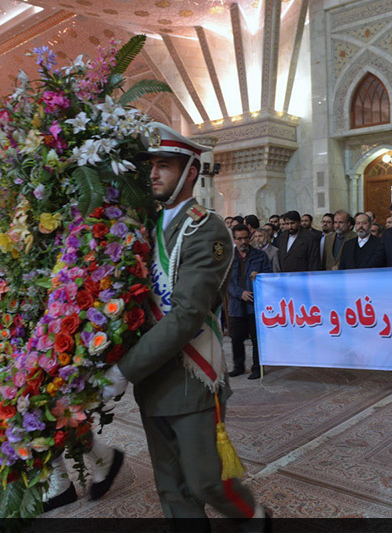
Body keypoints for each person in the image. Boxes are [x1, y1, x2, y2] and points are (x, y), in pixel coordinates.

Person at [101, 123, 266, 527]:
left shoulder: (205, 228)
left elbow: (187, 314)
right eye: (152, 165)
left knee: (206, 481)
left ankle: (255, 519)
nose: (154, 174)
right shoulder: (150, 226)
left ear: (191, 170)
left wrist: (123, 371)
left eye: (165, 166)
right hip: (153, 377)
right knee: (170, 487)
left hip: (192, 376)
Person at [227, 224, 272, 380]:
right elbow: (226, 282)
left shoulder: (260, 256)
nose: (243, 241)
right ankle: (238, 367)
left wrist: (259, 276)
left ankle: (256, 367)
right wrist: (240, 293)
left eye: (246, 237)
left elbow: (269, 277)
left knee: (256, 339)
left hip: (255, 305)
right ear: (234, 240)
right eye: (239, 239)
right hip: (236, 305)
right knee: (236, 339)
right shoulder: (228, 258)